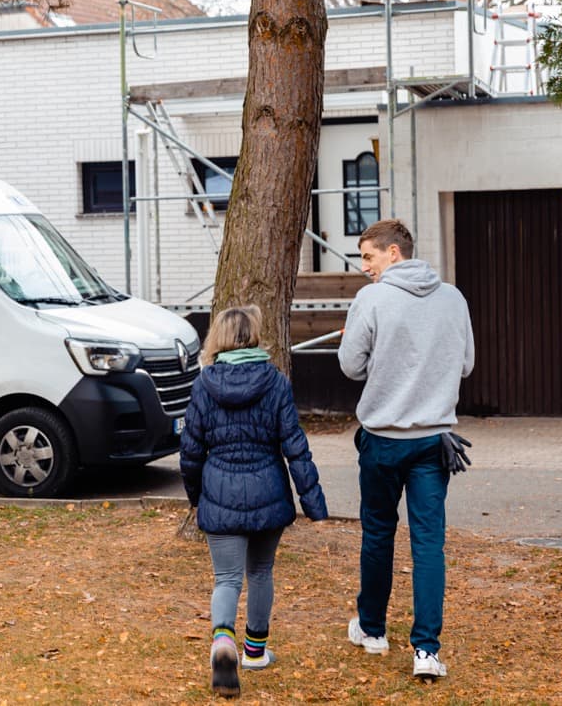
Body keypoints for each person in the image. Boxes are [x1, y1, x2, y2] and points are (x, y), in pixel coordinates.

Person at [337, 218, 475, 681]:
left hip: (382, 439)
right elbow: (467, 363)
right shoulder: (453, 298)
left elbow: (350, 365)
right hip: (434, 441)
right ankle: (427, 652)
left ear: (393, 253)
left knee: (378, 534)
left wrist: (385, 360)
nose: (364, 267)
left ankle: (373, 630)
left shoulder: (371, 299)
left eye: (368, 257)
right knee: (428, 543)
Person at [180, 304, 329, 698]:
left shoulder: (204, 384)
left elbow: (191, 451)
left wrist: (196, 496)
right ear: (255, 337)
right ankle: (256, 652)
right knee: (260, 573)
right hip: (268, 493)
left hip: (220, 492)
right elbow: (295, 446)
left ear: (220, 339)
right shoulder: (276, 382)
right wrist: (313, 502)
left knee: (226, 578)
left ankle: (222, 642)